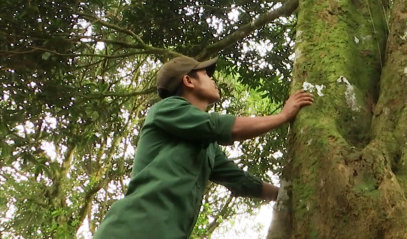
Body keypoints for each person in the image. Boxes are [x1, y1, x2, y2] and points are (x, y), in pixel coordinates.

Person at [94, 55, 314, 239]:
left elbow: (239, 180)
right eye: (206, 75)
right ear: (189, 81)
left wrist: (286, 194)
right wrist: (283, 116)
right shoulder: (167, 109)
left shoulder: (205, 145)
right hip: (133, 229)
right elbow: (226, 128)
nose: (212, 79)